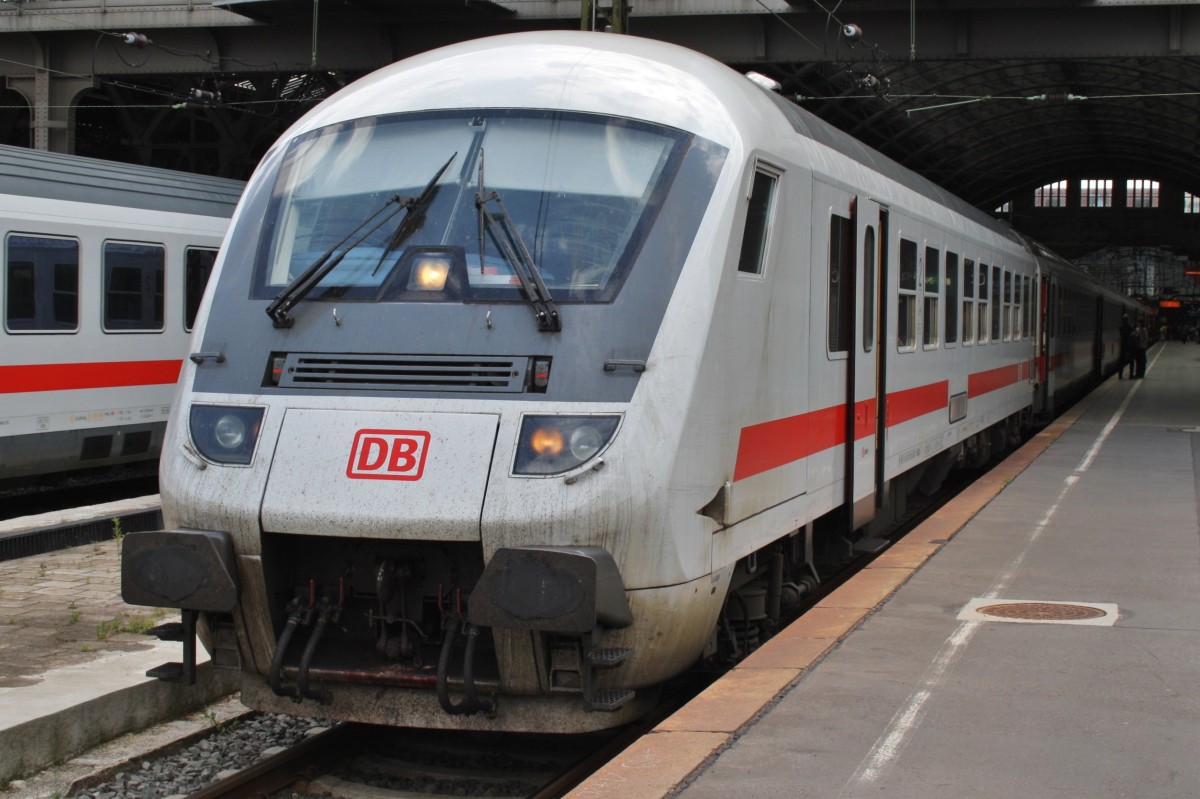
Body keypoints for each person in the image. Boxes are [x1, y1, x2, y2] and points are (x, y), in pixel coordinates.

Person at [1118, 314, 1133, 379]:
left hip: (1123, 345)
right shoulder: (1130, 327)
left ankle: (1120, 375)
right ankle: (1131, 375)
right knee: (1131, 360)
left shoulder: (1120, 327)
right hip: (1129, 345)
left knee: (1121, 361)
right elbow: (1131, 334)